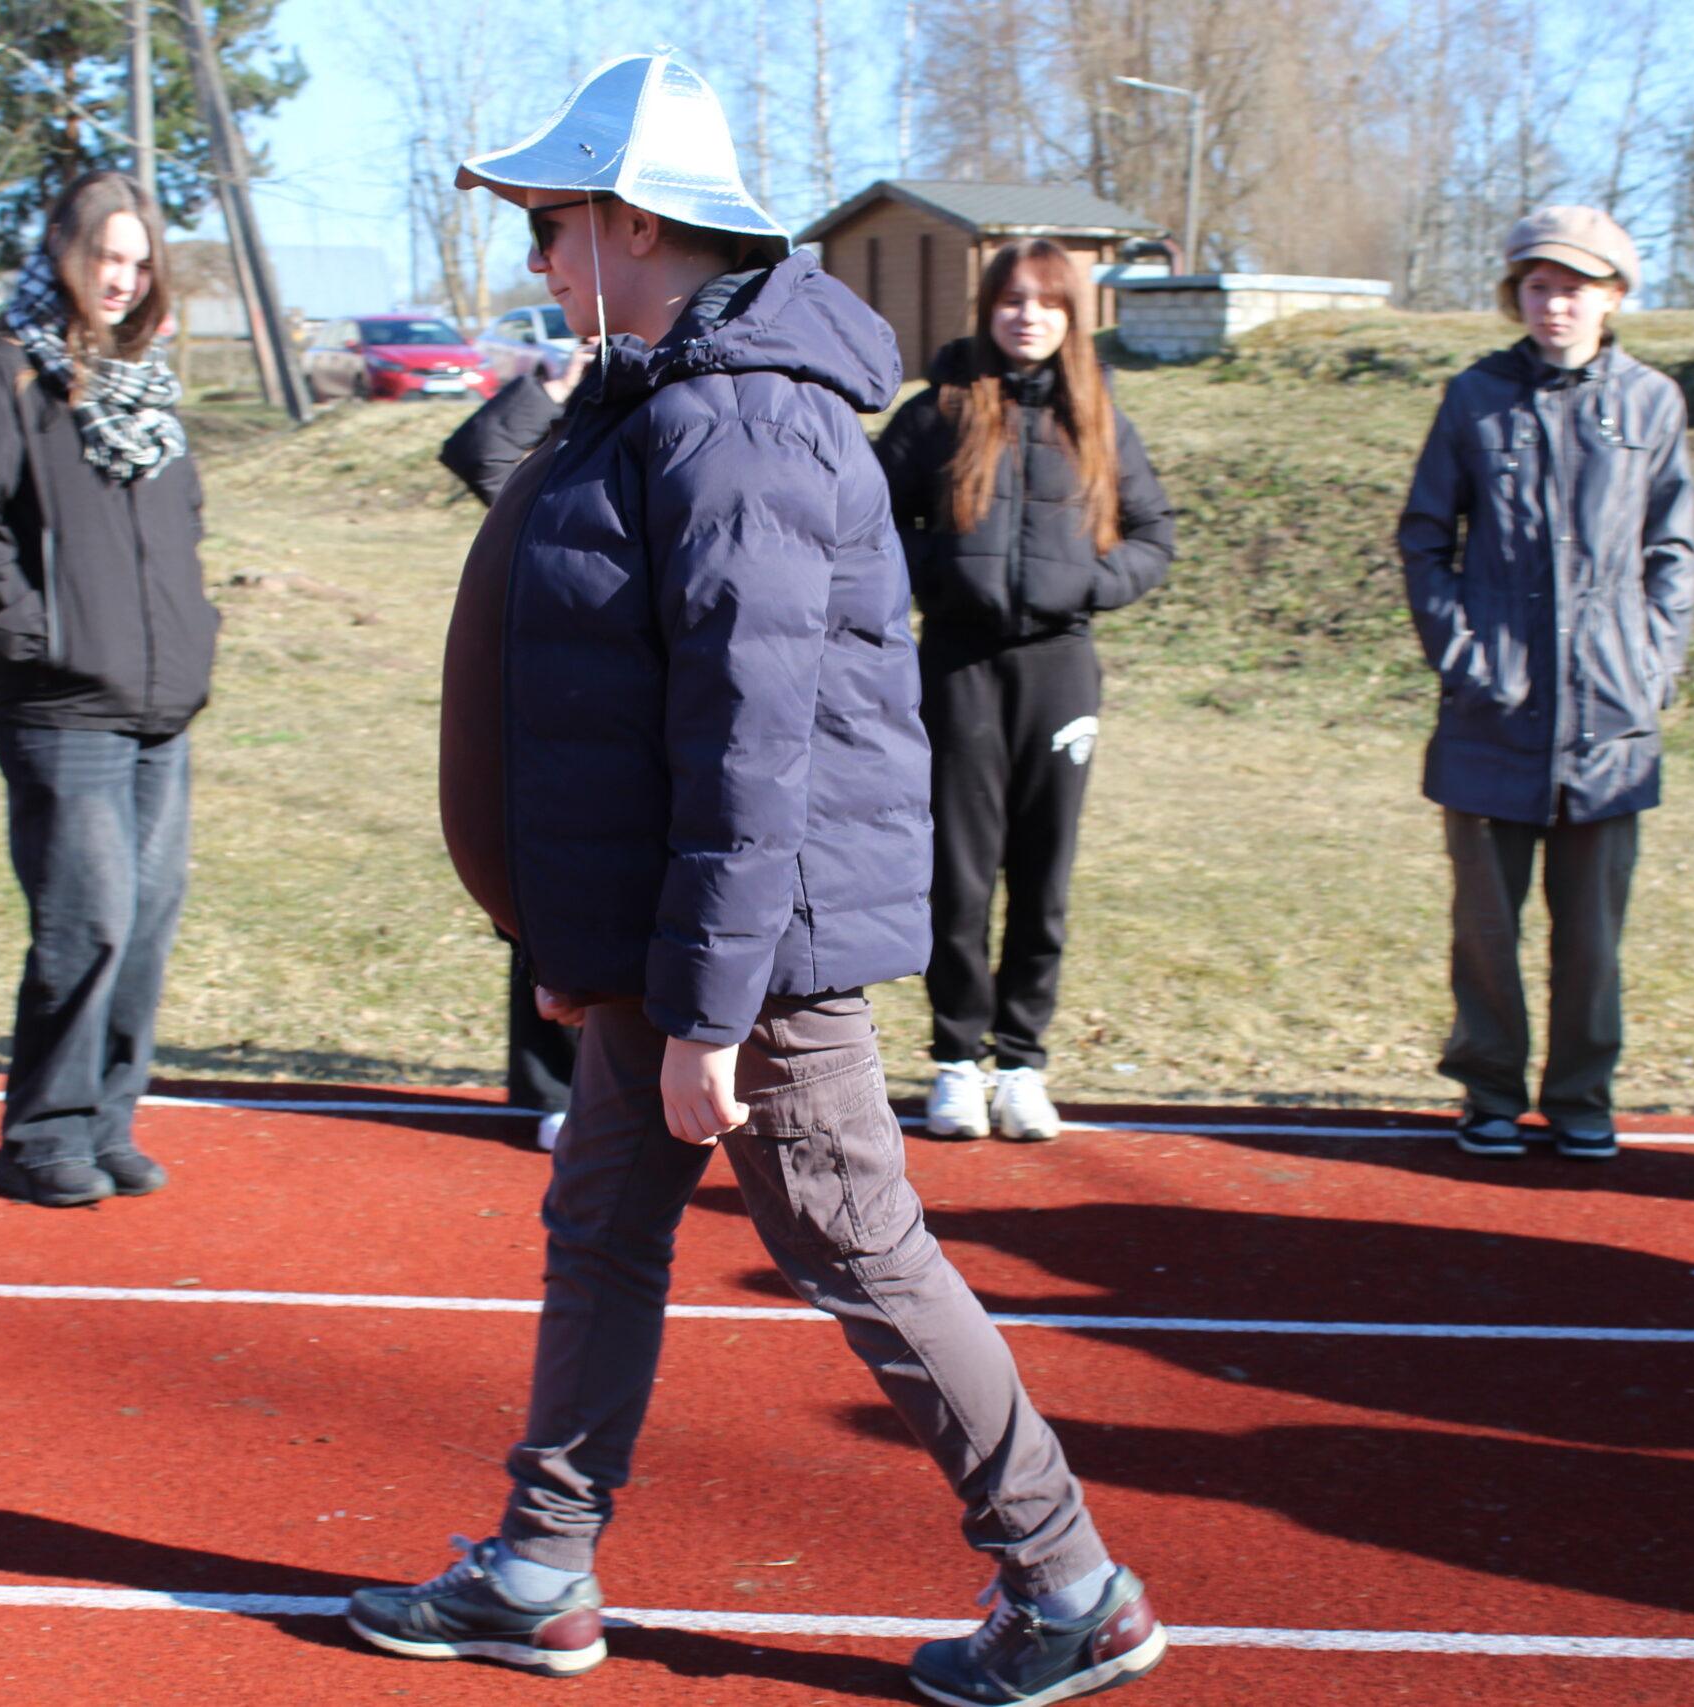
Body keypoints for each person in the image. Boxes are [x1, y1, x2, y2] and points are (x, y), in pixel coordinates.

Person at [344, 53, 1166, 1707]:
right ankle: (541, 1562)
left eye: (551, 222)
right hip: (668, 933)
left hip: (751, 950)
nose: (532, 256)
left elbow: (752, 739)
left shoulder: (743, 421)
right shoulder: (659, 394)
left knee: (858, 1241)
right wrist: (597, 947)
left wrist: (711, 1010)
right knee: (601, 1227)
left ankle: (1069, 1580)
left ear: (637, 221)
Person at [0, 170, 214, 1206]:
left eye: (139, 262)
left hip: (161, 707)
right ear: (65, 252)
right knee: (86, 923)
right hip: (62, 708)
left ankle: (106, 1121)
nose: (123, 278)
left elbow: (182, 530)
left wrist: (195, 631)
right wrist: (42, 641)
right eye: (107, 257)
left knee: (145, 928)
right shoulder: (5, 371)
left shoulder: (149, 385)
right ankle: (44, 1133)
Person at [1396, 206, 1694, 1163]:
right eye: (1538, 285)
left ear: (1612, 297)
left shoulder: (1652, 402)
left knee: (1594, 936)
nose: (1555, 303)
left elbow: (1673, 549)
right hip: (1492, 714)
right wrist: (1463, 654)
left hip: (1610, 719)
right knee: (1486, 929)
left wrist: (1651, 662)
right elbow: (1424, 538)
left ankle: (1580, 1094)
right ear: (1516, 294)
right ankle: (1489, 1088)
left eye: (1574, 287)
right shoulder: (1475, 397)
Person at [875, 240, 1173, 1141]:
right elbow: (868, 516)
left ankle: (1021, 1064)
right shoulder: (939, 410)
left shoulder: (1100, 417)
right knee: (958, 877)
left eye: (1047, 302)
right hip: (957, 667)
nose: (1028, 316)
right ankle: (957, 1062)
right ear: (988, 309)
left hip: (1059, 667)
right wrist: (943, 575)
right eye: (1012, 300)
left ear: (1072, 315)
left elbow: (1154, 535)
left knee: (1043, 877)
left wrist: (1086, 583)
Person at [438, 350, 606, 1154]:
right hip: (546, 695)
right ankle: (556, 1085)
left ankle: (639, 1075)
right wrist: (556, 386)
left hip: (644, 692)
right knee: (546, 890)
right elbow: (480, 454)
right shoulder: (560, 444)